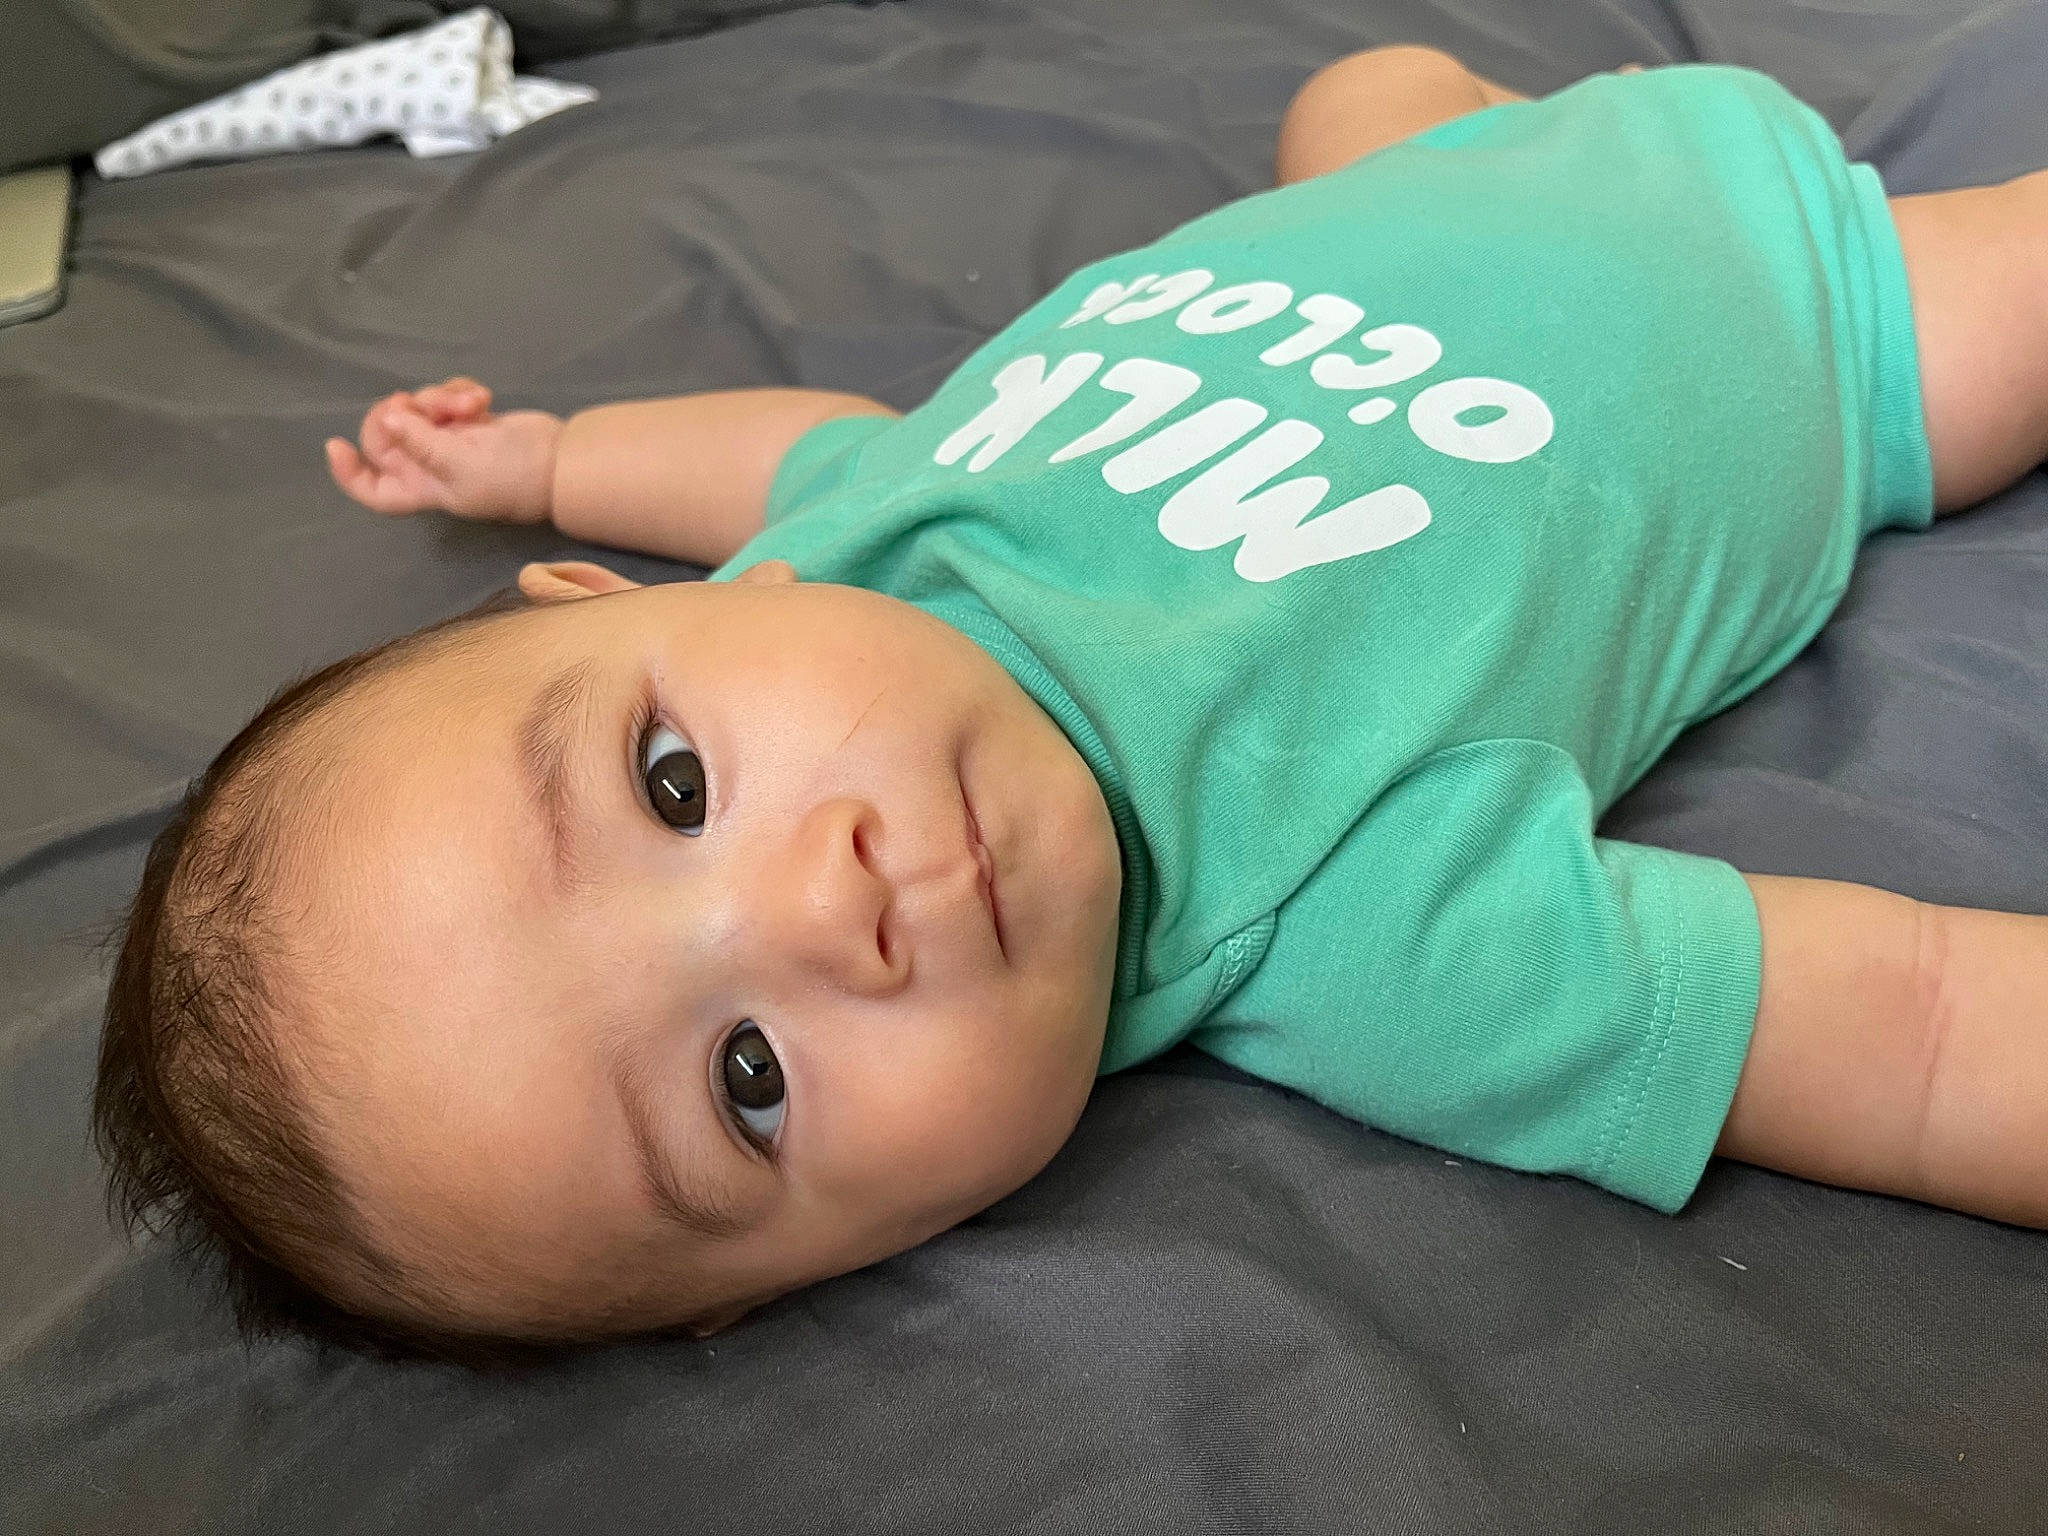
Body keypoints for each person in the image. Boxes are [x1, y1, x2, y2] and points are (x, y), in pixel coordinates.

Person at [94, 45, 2048, 1363]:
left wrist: (545, 453)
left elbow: (798, 450)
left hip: (1428, 177)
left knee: (1353, 87)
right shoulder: (1367, 941)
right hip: (1824, 311)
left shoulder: (857, 550)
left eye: (671, 779)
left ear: (660, 604)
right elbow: (1931, 1037)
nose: (816, 906)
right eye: (745, 1088)